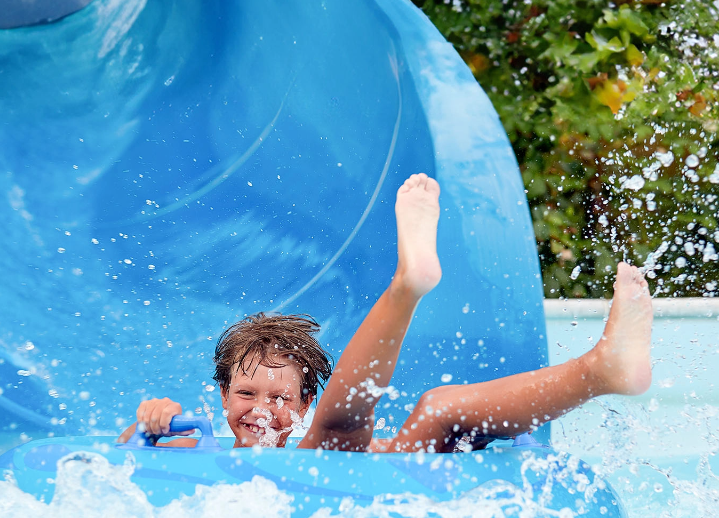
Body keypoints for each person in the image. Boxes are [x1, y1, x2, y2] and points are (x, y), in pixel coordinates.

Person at [118, 173, 653, 453]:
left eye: (281, 397)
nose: (261, 409)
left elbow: (357, 441)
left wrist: (383, 450)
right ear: (221, 396)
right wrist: (150, 421)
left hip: (335, 464)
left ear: (305, 403)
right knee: (368, 421)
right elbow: (124, 458)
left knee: (429, 410)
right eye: (246, 393)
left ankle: (599, 369)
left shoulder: (314, 437)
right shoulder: (198, 443)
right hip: (329, 456)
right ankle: (600, 369)